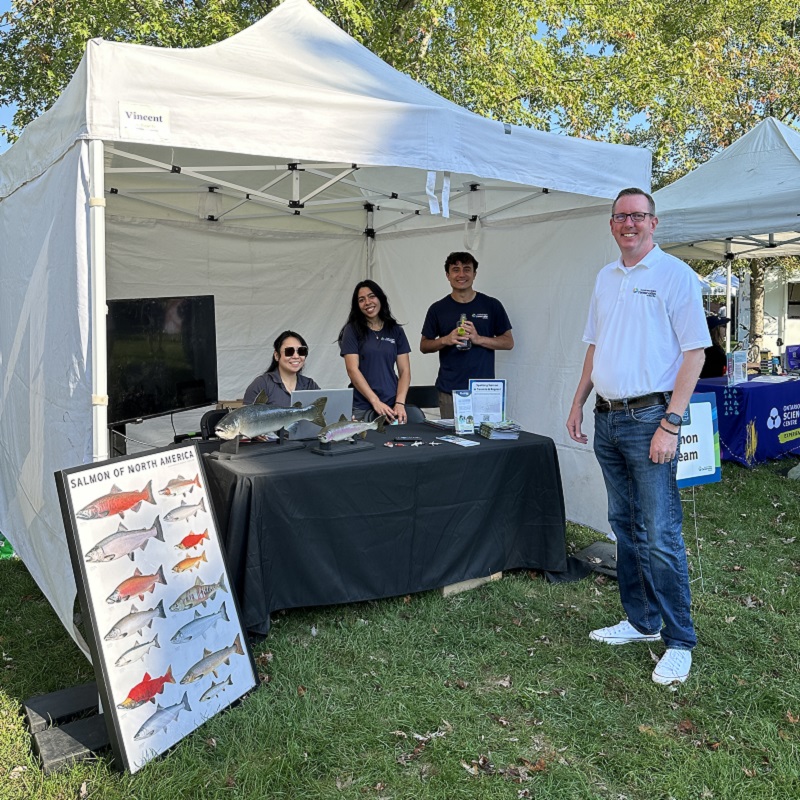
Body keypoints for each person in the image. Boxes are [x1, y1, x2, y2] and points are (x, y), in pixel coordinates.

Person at [566, 188, 710, 686]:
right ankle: (642, 622)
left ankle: (680, 640)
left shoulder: (676, 276)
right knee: (625, 527)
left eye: (637, 216)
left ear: (654, 222)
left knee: (662, 535)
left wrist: (671, 422)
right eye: (620, 217)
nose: (628, 223)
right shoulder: (606, 278)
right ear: (611, 225)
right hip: (607, 419)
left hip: (651, 419)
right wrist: (577, 401)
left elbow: (695, 355)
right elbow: (594, 347)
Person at [420, 251, 514, 418]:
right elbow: (424, 346)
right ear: (447, 275)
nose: (461, 274)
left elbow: (508, 342)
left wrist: (478, 339)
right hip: (450, 390)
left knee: (487, 441)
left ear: (474, 274)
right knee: (454, 441)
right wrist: (446, 340)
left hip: (484, 390)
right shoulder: (438, 309)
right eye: (456, 270)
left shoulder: (491, 305)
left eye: (467, 269)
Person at [339, 280, 411, 422]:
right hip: (362, 406)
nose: (367, 302)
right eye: (361, 300)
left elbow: (405, 371)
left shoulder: (396, 330)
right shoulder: (352, 330)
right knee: (364, 444)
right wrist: (375, 401)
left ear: (380, 298)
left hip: (392, 405)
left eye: (371, 296)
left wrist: (400, 403)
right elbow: (352, 370)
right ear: (357, 305)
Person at [243, 330, 319, 405]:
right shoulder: (262, 384)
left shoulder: (310, 385)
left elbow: (325, 413)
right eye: (289, 351)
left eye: (301, 351)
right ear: (276, 356)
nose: (296, 356)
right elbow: (245, 416)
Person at [700, 314, 730, 379]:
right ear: (715, 330)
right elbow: (730, 363)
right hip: (711, 384)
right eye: (723, 326)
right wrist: (753, 365)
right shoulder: (713, 349)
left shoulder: (707, 346)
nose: (726, 329)